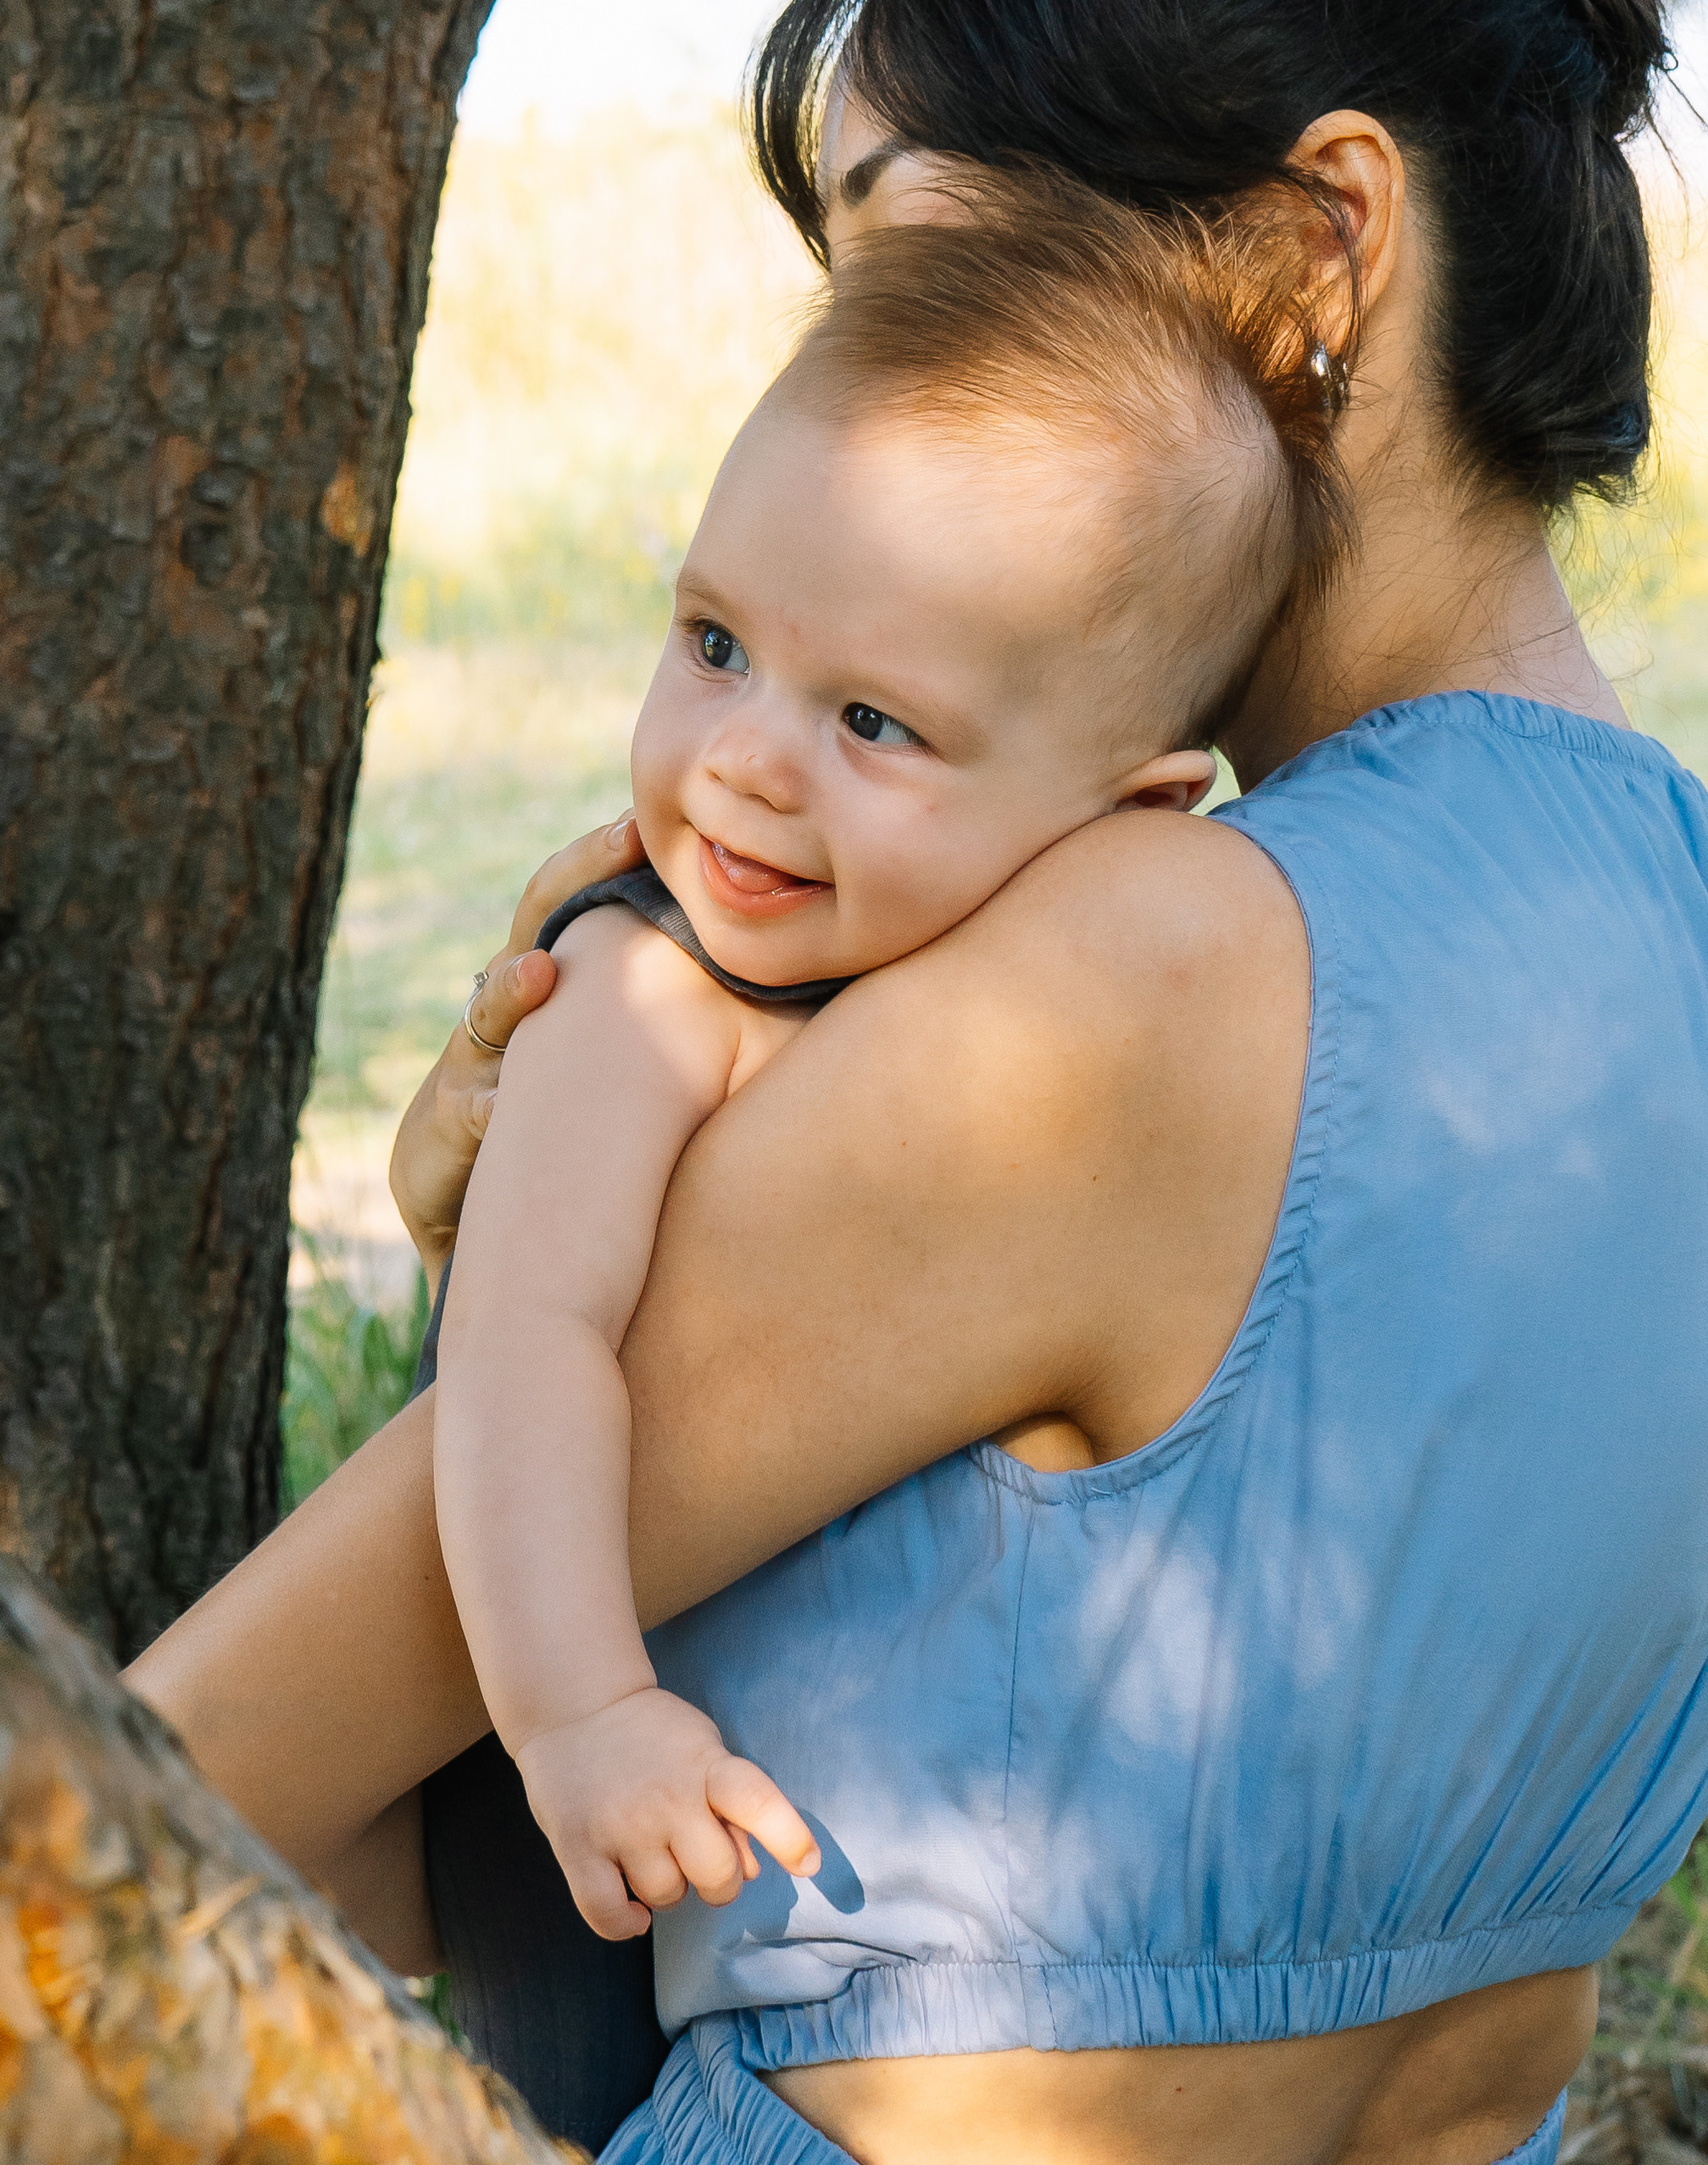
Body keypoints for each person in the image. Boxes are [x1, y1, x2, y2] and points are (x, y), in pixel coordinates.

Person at [131, 0, 1708, 2165]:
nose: (863, 373)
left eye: (915, 266)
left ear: (1314, 253)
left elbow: (191, 1784)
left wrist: (566, 1235)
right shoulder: (1698, 933)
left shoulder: (1148, 968)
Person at [432, 192, 1346, 1947]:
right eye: (713, 645)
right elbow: (516, 1336)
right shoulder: (646, 991)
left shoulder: (1042, 1018)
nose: (747, 765)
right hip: (565, 1774)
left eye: (874, 724)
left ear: (1127, 825)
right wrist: (578, 1720)